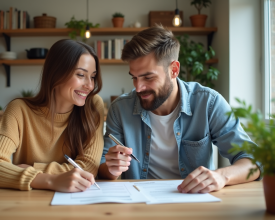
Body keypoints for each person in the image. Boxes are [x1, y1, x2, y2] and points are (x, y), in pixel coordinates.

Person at [98, 25, 261, 194]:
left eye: (148, 77)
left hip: (194, 200)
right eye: (134, 78)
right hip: (141, 202)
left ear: (174, 70)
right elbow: (103, 167)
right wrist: (112, 168)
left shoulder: (208, 103)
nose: (138, 88)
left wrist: (221, 176)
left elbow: (254, 161)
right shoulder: (120, 109)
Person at [0, 39, 104, 192]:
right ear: (56, 73)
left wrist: (32, 168)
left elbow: (88, 169)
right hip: (27, 204)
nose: (90, 85)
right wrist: (50, 180)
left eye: (92, 76)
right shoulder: (19, 110)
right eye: (81, 74)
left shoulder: (93, 106)